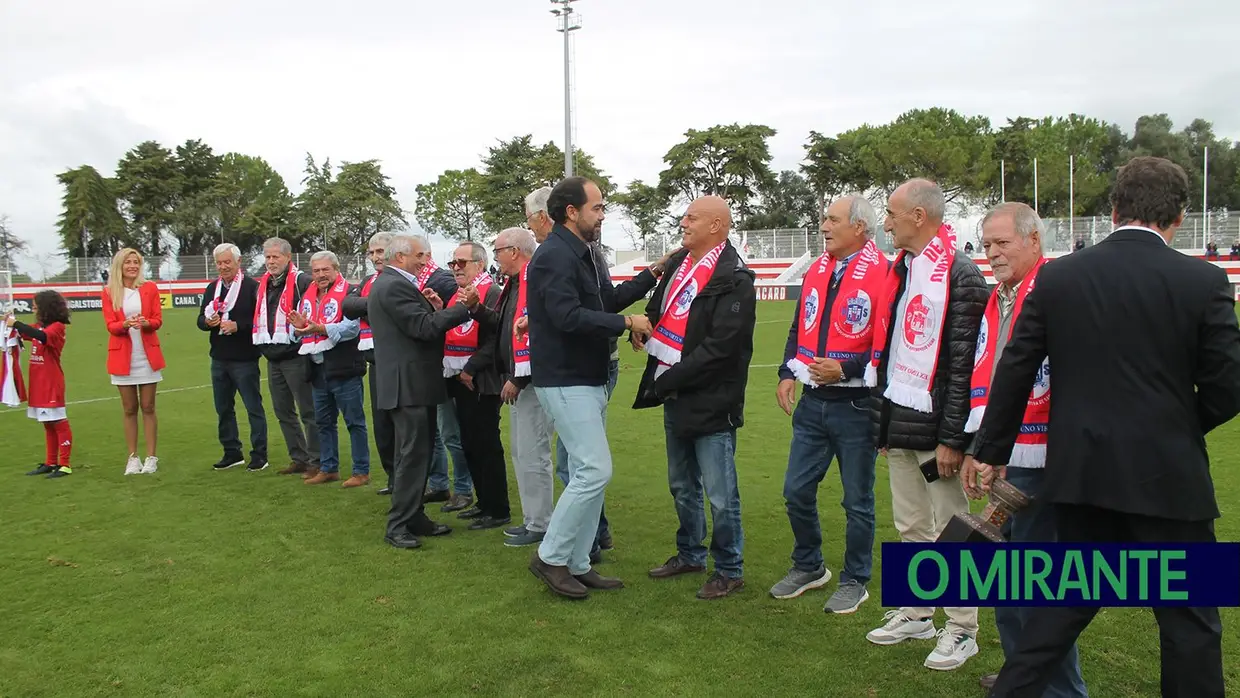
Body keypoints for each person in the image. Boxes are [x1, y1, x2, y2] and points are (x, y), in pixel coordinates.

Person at [973, 157, 1240, 698]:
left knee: (1059, 612)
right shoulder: (1204, 280)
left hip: (1081, 476)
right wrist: (1179, 426)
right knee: (1189, 624)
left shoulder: (1061, 277)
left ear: (1114, 210)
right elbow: (1228, 384)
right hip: (1170, 479)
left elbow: (1016, 369)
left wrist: (991, 449)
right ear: (1180, 217)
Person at [957, 203, 1088, 696]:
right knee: (1005, 582)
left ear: (1035, 241)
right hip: (1004, 455)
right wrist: (981, 447)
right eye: (986, 244)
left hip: (1042, 460)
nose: (991, 253)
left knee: (1039, 588)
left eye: (1002, 243)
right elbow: (991, 379)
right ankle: (1023, 675)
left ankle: (1061, 689)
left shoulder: (1061, 291)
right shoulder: (1000, 298)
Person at [863, 178, 988, 671]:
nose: (886, 222)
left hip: (937, 431)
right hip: (900, 420)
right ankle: (916, 613)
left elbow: (964, 365)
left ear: (919, 216)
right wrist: (883, 426)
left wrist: (953, 438)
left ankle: (963, 628)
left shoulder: (960, 274)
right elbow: (889, 351)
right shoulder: (904, 270)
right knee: (910, 525)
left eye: (892, 213)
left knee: (954, 528)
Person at [524, 176, 666, 599]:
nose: (603, 214)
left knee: (591, 471)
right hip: (566, 378)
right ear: (572, 211)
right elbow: (568, 316)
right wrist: (628, 323)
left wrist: (651, 275)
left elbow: (604, 301)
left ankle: (579, 561)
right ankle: (550, 558)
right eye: (598, 207)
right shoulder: (553, 257)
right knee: (594, 469)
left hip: (586, 376)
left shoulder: (581, 252)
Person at [633, 195, 756, 599]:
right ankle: (689, 553)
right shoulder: (679, 266)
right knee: (681, 485)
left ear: (717, 226)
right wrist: (645, 325)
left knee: (721, 494)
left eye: (692, 217)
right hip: (675, 392)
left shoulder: (734, 278)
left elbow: (721, 349)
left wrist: (668, 381)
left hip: (711, 399)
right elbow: (659, 307)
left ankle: (730, 569)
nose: (683, 223)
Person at [770, 195, 887, 613]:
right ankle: (809, 565)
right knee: (795, 491)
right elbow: (798, 326)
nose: (823, 226)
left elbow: (886, 344)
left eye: (832, 219)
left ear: (859, 227)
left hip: (856, 405)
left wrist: (847, 367)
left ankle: (856, 579)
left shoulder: (883, 273)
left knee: (857, 500)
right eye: (823, 219)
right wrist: (787, 372)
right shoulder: (818, 270)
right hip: (813, 403)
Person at [369, 234, 480, 550]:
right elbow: (423, 329)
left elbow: (418, 325)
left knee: (417, 455)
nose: (424, 261)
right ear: (401, 257)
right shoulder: (393, 285)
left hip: (412, 384)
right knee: (413, 457)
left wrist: (434, 309)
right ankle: (399, 524)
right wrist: (461, 308)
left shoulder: (393, 283)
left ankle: (414, 517)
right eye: (420, 255)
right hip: (409, 386)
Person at [482, 227, 555, 548]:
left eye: (498, 251)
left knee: (532, 452)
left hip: (533, 380)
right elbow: (504, 329)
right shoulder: (515, 283)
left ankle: (540, 523)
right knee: (523, 452)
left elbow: (537, 335)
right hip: (521, 378)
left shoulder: (531, 281)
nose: (495, 257)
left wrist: (518, 377)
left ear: (514, 251)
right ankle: (533, 519)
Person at [440, 241, 509, 529]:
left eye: (462, 262)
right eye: (453, 263)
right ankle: (483, 503)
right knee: (469, 443)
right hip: (458, 376)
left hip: (481, 379)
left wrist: (470, 368)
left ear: (479, 264)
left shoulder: (491, 291)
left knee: (486, 444)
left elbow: (496, 335)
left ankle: (498, 509)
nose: (456, 268)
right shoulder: (458, 293)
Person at [288, 251, 369, 488]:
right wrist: (299, 327)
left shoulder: (349, 292)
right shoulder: (308, 296)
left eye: (325, 270)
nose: (320, 275)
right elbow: (300, 331)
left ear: (336, 269)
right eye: (316, 271)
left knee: (354, 422)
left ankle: (361, 471)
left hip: (344, 367)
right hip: (316, 367)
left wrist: (319, 328)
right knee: (323, 422)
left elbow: (351, 329)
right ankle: (328, 468)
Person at [251, 237, 320, 477]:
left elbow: (313, 309)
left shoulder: (302, 281)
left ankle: (317, 460)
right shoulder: (264, 283)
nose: (270, 261)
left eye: (275, 257)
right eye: (267, 257)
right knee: (282, 411)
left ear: (288, 257)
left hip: (296, 354)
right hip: (272, 355)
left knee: (308, 410)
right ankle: (298, 457)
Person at [197, 243, 267, 472]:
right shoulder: (212, 288)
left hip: (245, 358)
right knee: (223, 408)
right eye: (219, 262)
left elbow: (260, 321)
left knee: (253, 407)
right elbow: (200, 320)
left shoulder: (251, 287)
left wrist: (239, 326)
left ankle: (259, 454)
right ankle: (231, 452)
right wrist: (207, 323)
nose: (223, 266)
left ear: (238, 262)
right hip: (218, 357)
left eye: (227, 262)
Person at [101, 248, 166, 476]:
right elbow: (110, 324)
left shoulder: (149, 288)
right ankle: (132, 458)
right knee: (129, 408)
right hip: (122, 357)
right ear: (120, 265)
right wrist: (125, 325)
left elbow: (158, 320)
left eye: (136, 262)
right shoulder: (110, 292)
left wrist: (145, 322)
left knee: (148, 407)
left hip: (146, 356)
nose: (132, 266)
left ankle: (151, 457)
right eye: (128, 262)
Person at [346, 233, 397, 494]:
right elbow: (348, 305)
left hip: (398, 363)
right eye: (372, 252)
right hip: (375, 363)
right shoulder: (368, 281)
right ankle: (393, 478)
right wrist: (376, 304)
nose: (376, 257)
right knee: (382, 426)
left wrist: (369, 306)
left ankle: (421, 482)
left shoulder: (399, 279)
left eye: (380, 251)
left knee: (404, 427)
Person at [7, 291, 73, 478]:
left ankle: (65, 464)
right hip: (38, 383)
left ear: (45, 306)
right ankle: (51, 462)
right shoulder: (41, 327)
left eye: (35, 304)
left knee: (59, 422)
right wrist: (9, 325)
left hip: (51, 382)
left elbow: (41, 336)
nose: (33, 307)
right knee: (47, 423)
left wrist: (17, 324)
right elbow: (27, 332)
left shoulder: (57, 327)